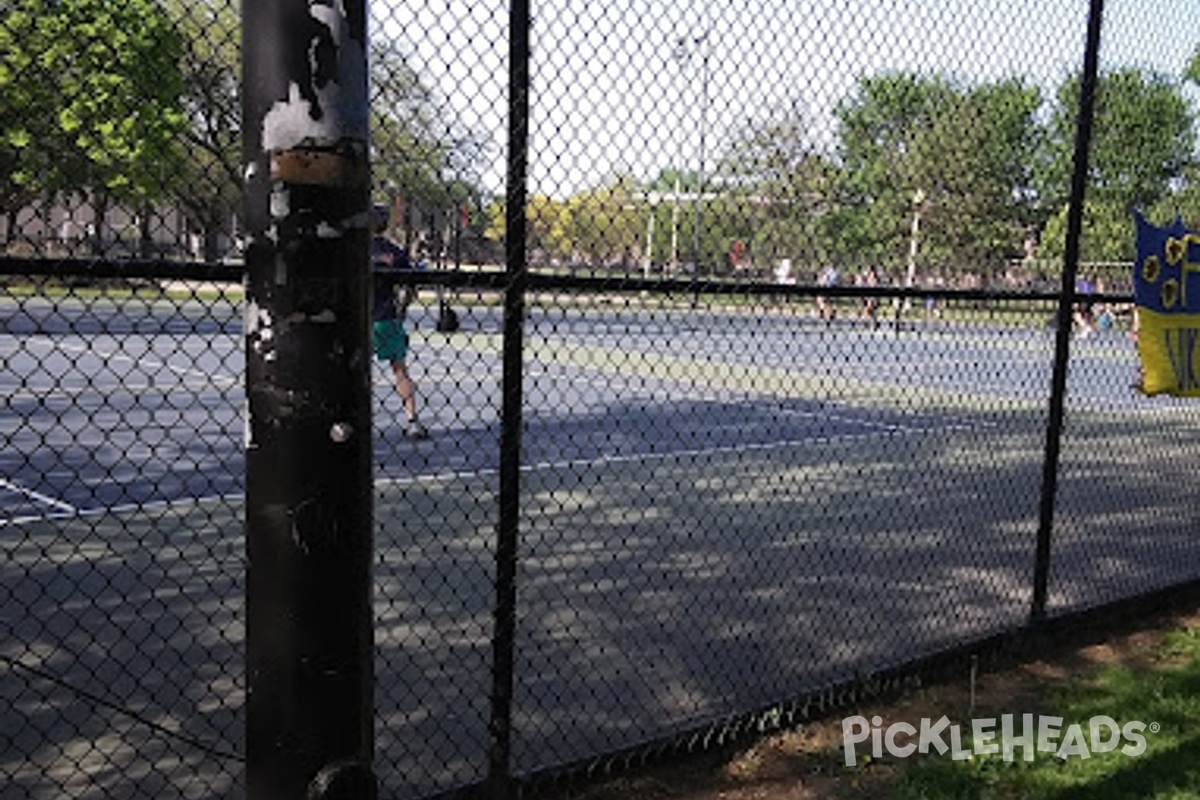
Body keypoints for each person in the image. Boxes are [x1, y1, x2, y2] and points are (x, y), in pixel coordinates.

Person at [371, 205, 428, 439]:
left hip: (361, 317)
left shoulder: (353, 248)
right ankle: (412, 420)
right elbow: (412, 284)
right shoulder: (393, 252)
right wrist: (403, 306)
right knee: (400, 370)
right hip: (387, 317)